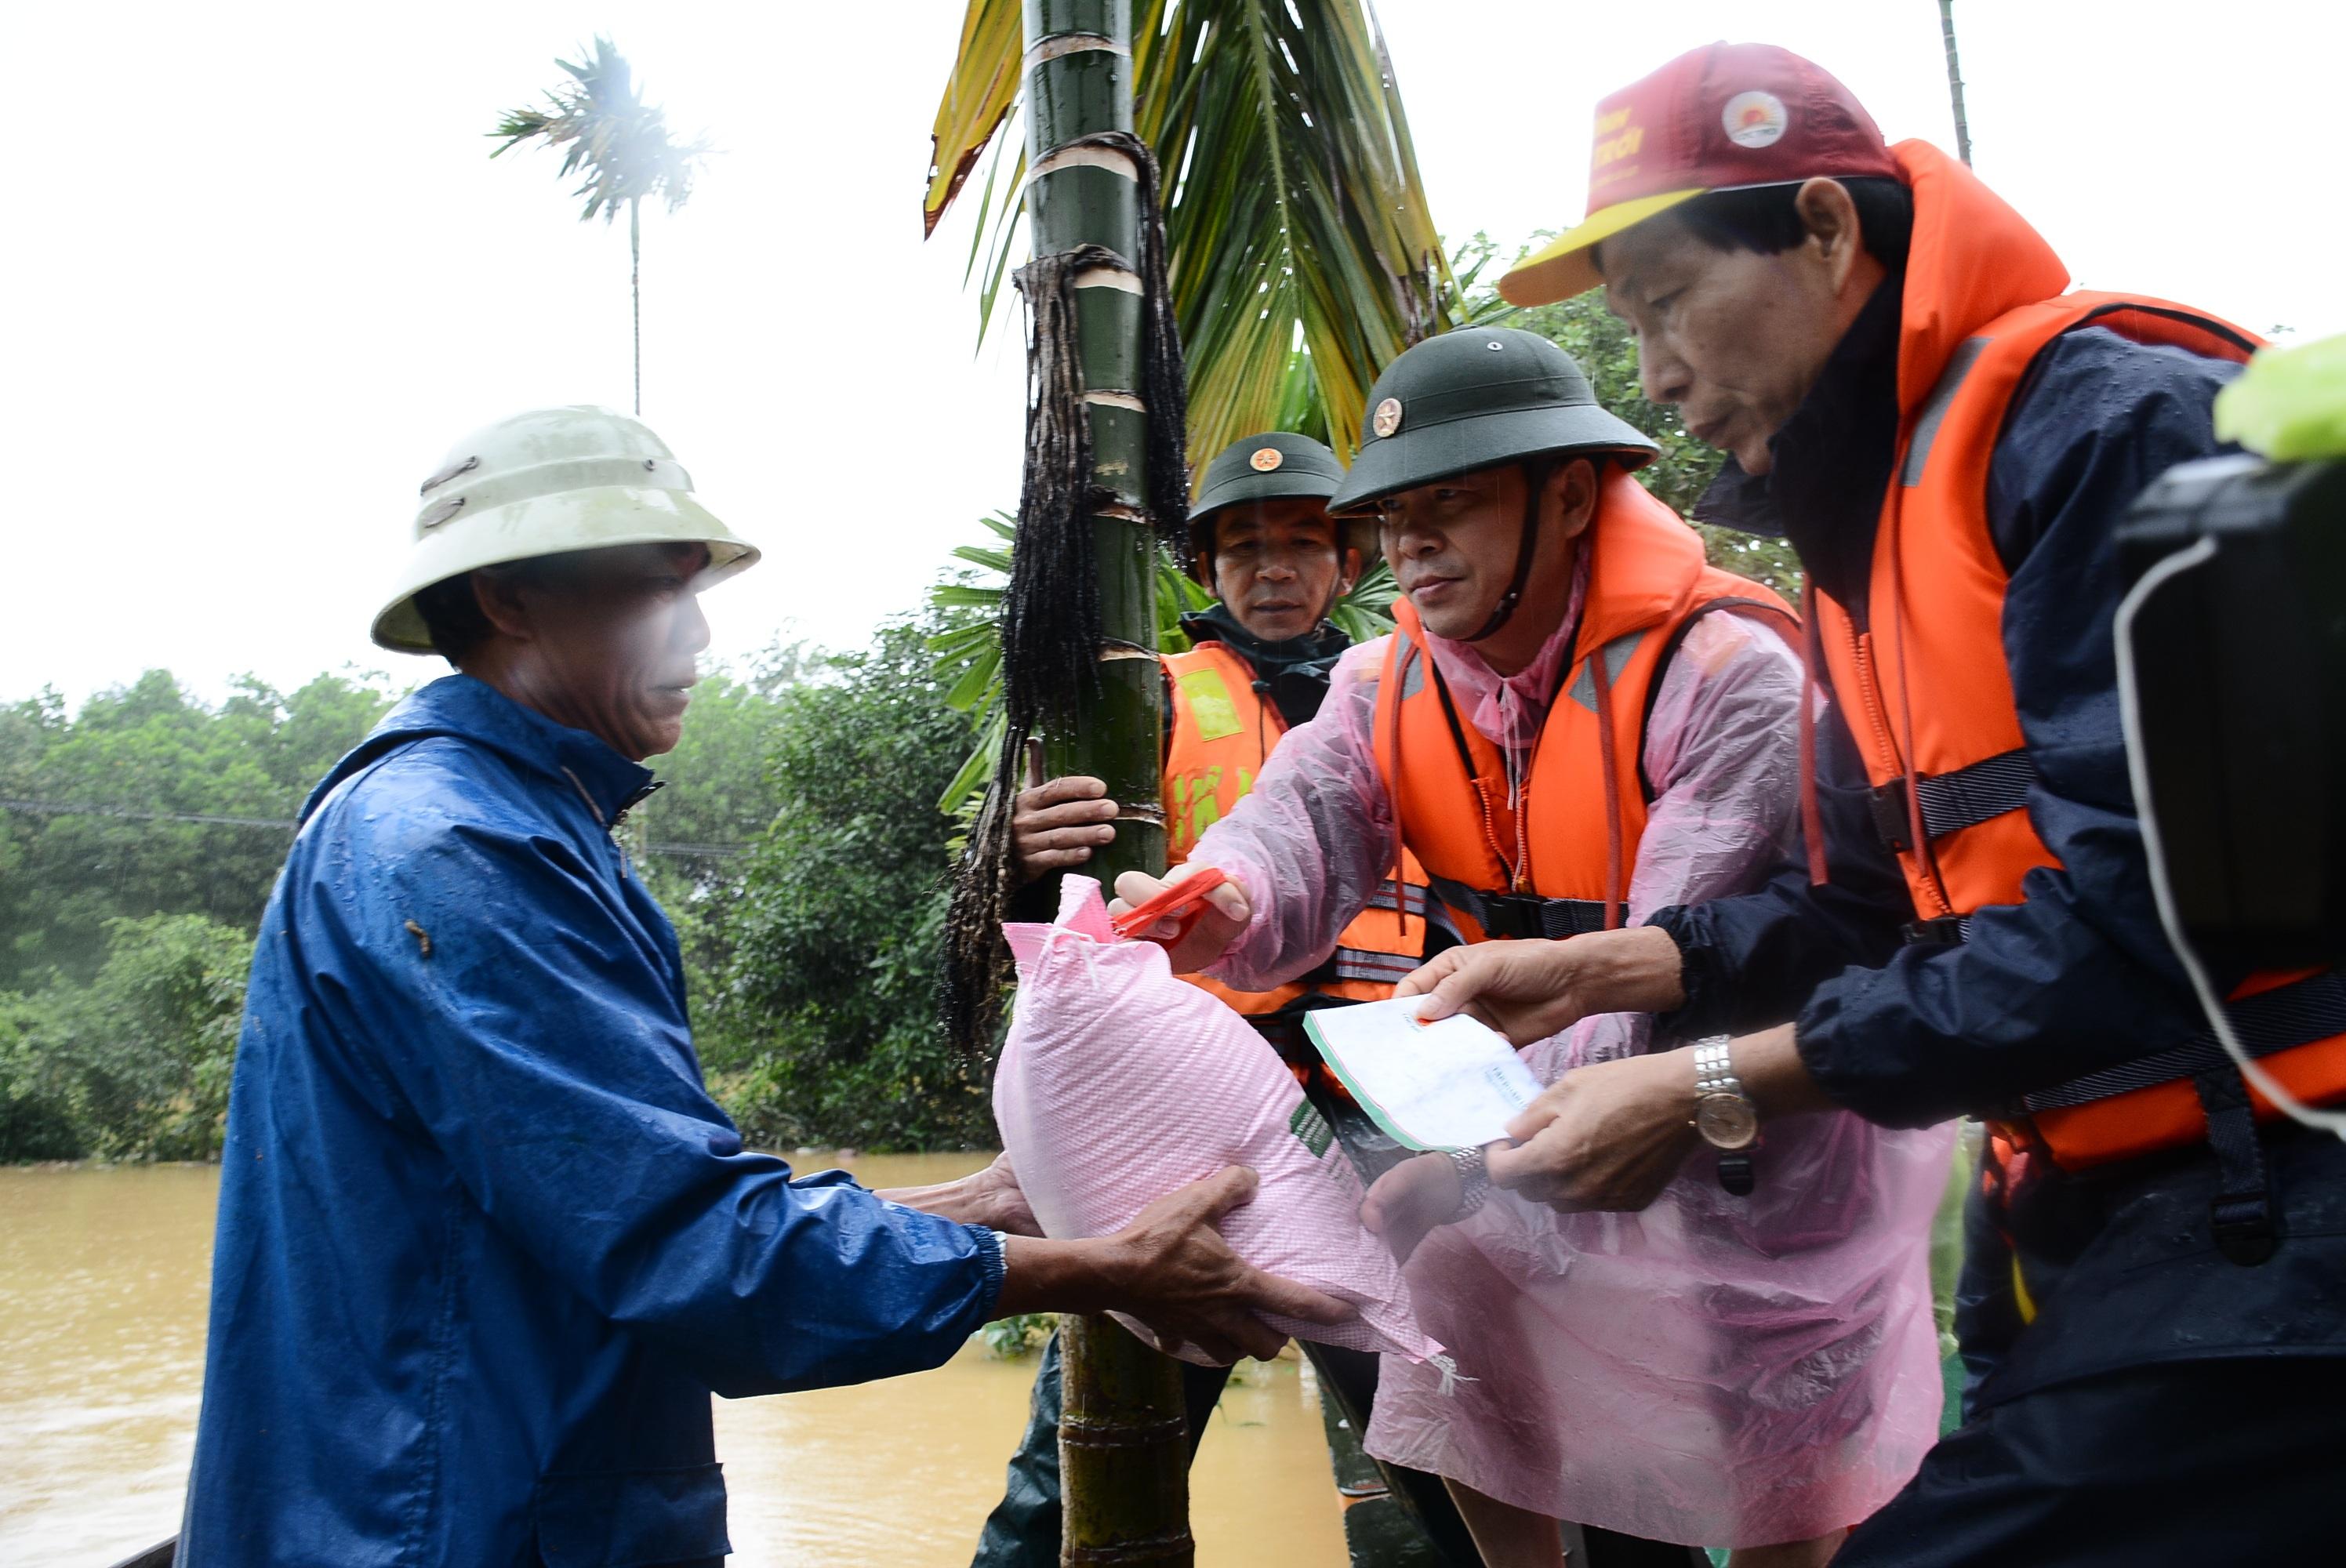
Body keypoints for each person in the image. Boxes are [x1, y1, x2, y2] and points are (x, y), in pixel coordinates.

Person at [1411, 42, 2346, 1563]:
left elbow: (2123, 933)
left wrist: (1703, 1087)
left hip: (2274, 1201)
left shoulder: (2087, 432)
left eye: (1661, 299)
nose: (1647, 371)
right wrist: (1592, 970)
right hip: (2073, 1216)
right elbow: (1856, 916)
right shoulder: (1867, 539)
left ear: (1827, 235)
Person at [174, 406, 1349, 1568]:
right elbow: (692, 1248)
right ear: (509, 600)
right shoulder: (460, 851)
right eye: (657, 592)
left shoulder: (504, 823)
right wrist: (1095, 1271)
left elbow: (613, 1218)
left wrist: (997, 1200)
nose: (695, 640)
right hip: (449, 1521)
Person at [1116, 328, 1950, 1566]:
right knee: (1452, 1296)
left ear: (1568, 497)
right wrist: (1221, 898)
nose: (1410, 545)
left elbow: (1663, 976)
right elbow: (1293, 824)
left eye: (1450, 503)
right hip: (1538, 1094)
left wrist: (1472, 1179)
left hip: (1757, 1128)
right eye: (1394, 515)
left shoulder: (1724, 671)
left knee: (1775, 1446)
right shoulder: (1378, 681)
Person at [968, 431, 1476, 1568]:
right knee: (1069, 1479)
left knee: (1441, 1451)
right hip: (1192, 1120)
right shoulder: (1141, 700)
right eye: (1244, 549)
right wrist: (1028, 858)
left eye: (1304, 543)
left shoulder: (1419, 691)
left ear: (1349, 561)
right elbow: (1067, 934)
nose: (1275, 569)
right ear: (1205, 572)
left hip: (1381, 1102)